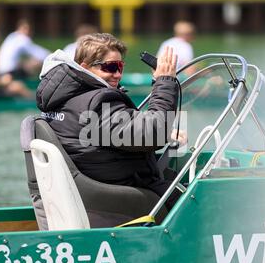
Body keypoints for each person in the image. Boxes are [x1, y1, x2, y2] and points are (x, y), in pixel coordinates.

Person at [36, 33, 186, 212]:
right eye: (110, 67)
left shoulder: (67, 100)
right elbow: (153, 134)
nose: (117, 74)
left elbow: (106, 133)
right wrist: (165, 82)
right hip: (121, 196)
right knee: (196, 197)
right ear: (85, 67)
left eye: (120, 67)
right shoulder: (97, 102)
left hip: (94, 190)